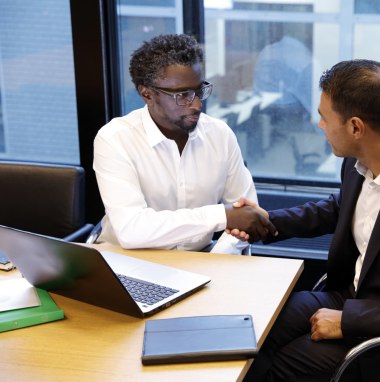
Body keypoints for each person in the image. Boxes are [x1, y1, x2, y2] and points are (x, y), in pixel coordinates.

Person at [227, 59, 380, 380]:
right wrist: (264, 222)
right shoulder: (361, 160)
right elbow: (336, 209)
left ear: (356, 127)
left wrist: (349, 321)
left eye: (323, 117)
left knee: (288, 363)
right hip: (351, 294)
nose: (319, 126)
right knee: (261, 325)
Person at [93, 34, 274, 254]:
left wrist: (219, 259)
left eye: (199, 90)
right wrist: (221, 216)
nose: (197, 104)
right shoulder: (115, 139)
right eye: (183, 95)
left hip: (201, 258)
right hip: (126, 260)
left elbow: (246, 215)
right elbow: (132, 230)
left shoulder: (220, 135)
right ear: (147, 94)